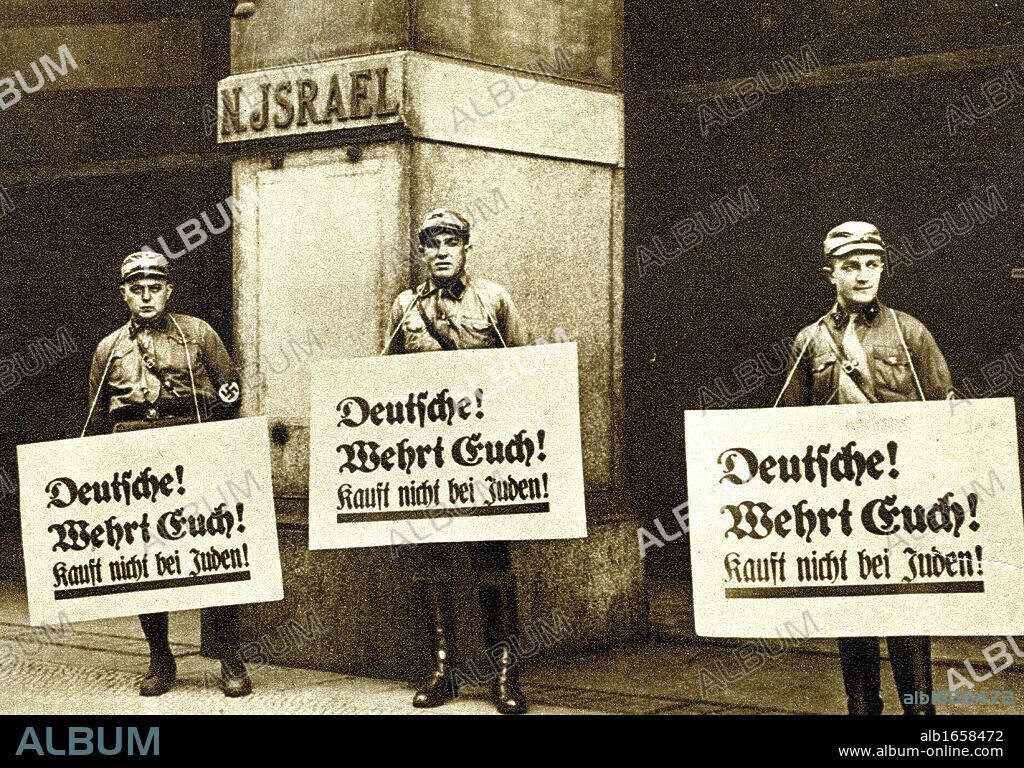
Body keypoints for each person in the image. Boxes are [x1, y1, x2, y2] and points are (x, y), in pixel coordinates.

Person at [776, 221, 954, 715]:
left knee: (905, 608)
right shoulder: (809, 341)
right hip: (839, 505)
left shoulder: (910, 332)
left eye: (871, 265)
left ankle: (921, 717)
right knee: (850, 606)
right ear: (829, 273)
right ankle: (861, 708)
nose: (862, 275)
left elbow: (949, 414)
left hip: (902, 503)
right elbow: (788, 431)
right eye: (850, 266)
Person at [384, 208, 531, 713]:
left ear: (466, 249)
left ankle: (505, 675)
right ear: (421, 253)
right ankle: (442, 670)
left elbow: (527, 370)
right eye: (432, 244)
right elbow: (384, 382)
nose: (442, 251)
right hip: (427, 459)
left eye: (452, 242)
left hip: (488, 455)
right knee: (433, 565)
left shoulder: (493, 300)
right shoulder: (406, 307)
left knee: (493, 563)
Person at [84, 251, 251, 697]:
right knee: (143, 561)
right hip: (133, 459)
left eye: (154, 288)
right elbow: (97, 417)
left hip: (193, 449)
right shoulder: (109, 348)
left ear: (168, 290)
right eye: (135, 289)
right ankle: (160, 656)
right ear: (124, 294)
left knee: (216, 554)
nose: (145, 296)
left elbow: (231, 394)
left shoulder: (197, 334)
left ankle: (230, 656)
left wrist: (209, 444)